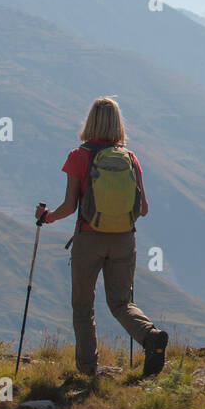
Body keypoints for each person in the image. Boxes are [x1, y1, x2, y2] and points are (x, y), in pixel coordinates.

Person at [35, 96, 168, 379]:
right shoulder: (130, 158)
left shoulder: (78, 156)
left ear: (90, 121)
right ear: (118, 124)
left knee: (83, 305)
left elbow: (70, 206)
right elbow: (143, 209)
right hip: (123, 240)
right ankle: (150, 336)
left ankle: (87, 371)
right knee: (121, 303)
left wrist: (46, 217)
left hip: (88, 239)